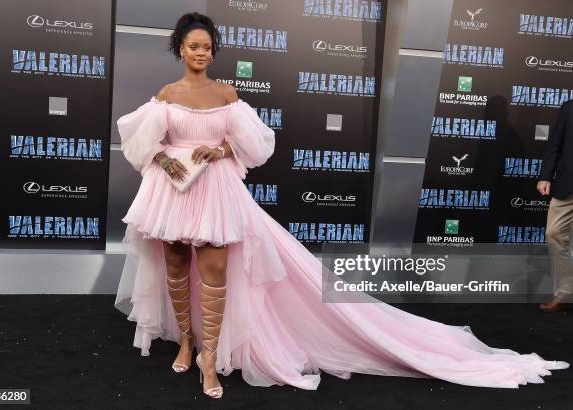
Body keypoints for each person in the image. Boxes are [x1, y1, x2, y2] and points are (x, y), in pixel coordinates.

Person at [114, 12, 569, 399]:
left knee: (214, 272)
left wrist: (222, 151)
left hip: (215, 192)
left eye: (208, 47)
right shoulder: (167, 96)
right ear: (179, 48)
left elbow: (254, 145)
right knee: (175, 264)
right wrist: (159, 158)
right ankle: (186, 343)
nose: (201, 53)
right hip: (172, 191)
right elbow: (139, 140)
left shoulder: (227, 95)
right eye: (193, 46)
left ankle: (210, 359)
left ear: (214, 51)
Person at [537, 100, 573, 312]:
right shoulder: (569, 108)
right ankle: (564, 291)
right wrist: (545, 176)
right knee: (553, 232)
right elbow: (555, 146)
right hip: (567, 185)